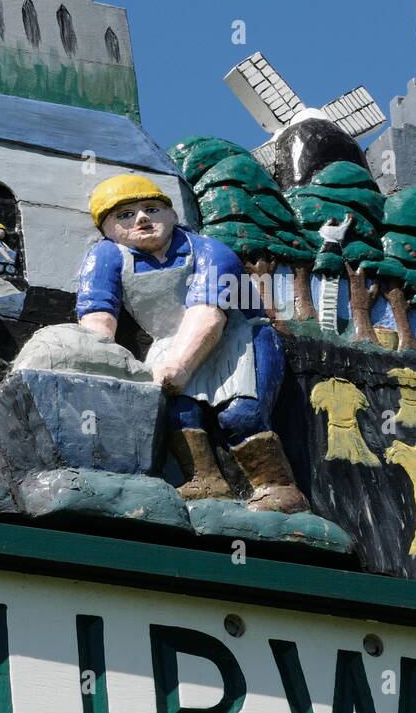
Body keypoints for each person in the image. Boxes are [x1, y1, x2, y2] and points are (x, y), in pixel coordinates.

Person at [75, 174, 309, 513]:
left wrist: (180, 367)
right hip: (169, 340)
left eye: (151, 209)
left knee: (240, 414)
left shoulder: (210, 251)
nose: (141, 219)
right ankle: (204, 480)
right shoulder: (105, 257)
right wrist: (98, 363)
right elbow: (98, 314)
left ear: (171, 215)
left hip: (237, 337)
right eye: (125, 215)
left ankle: (278, 487)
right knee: (175, 410)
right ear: (107, 228)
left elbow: (207, 316)